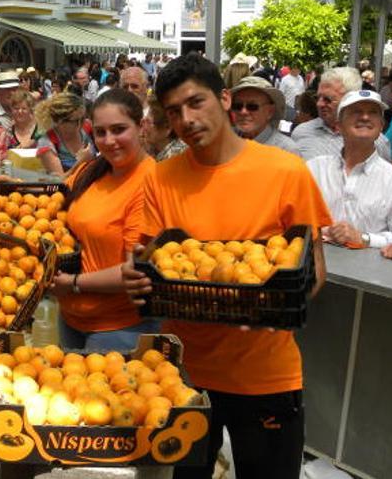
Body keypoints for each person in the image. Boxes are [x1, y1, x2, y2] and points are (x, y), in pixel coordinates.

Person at [122, 52, 331, 479]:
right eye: (175, 111)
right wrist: (137, 279)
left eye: (196, 102)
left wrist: (269, 308)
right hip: (183, 375)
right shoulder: (161, 178)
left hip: (266, 374)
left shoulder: (286, 171)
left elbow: (315, 272)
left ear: (225, 98)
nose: (187, 119)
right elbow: (151, 262)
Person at [49, 89, 160, 350]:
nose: (109, 141)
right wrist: (10, 185)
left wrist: (73, 284)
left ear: (141, 126)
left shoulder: (150, 183)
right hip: (71, 319)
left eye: (119, 129)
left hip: (119, 329)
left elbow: (134, 271)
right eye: (100, 132)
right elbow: (53, 197)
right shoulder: (93, 170)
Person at [306, 90, 392, 248]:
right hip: (315, 267)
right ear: (339, 126)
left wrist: (364, 238)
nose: (365, 117)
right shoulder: (314, 169)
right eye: (356, 112)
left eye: (372, 113)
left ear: (381, 126)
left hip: (370, 272)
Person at [291, 66, 392, 161]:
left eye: (328, 99)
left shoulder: (377, 142)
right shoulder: (301, 132)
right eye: (318, 98)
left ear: (350, 101)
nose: (319, 104)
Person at [229, 76, 299, 154]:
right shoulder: (225, 141)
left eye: (252, 106)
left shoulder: (286, 150)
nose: (243, 112)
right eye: (237, 106)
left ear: (270, 112)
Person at [33, 92, 95, 175]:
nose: (80, 124)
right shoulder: (47, 143)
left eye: (82, 118)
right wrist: (80, 163)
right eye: (74, 121)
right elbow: (59, 183)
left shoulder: (87, 127)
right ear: (59, 121)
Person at [142, 95, 188, 161]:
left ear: (167, 128)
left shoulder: (175, 158)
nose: (143, 126)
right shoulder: (155, 149)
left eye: (148, 122)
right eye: (144, 120)